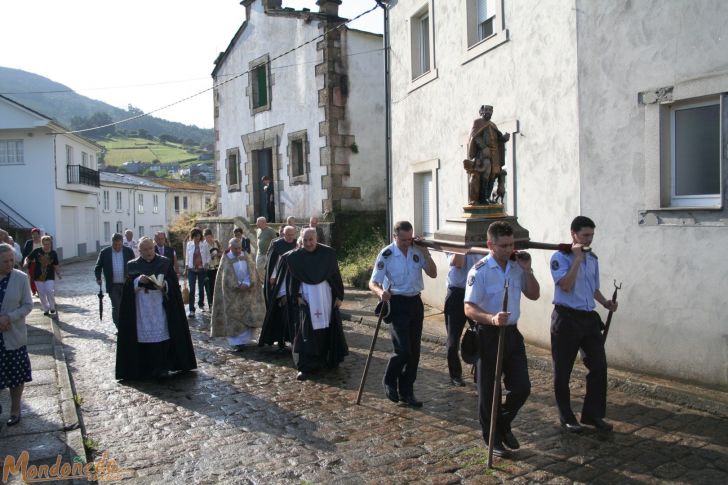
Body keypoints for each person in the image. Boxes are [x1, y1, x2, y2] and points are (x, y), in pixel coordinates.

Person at [464, 221, 540, 457]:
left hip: (512, 334)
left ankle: (503, 422)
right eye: (504, 245)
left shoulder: (518, 266)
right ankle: (492, 437)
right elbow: (468, 308)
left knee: (522, 387)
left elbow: (534, 294)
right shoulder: (479, 270)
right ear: (490, 244)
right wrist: (491, 318)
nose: (509, 249)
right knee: (489, 391)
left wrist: (528, 270)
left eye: (512, 244)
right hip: (488, 333)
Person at [550, 216, 618, 433]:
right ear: (574, 234)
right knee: (563, 370)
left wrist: (606, 302)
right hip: (566, 318)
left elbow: (593, 288)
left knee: (599, 366)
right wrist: (577, 259)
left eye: (591, 235)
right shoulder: (560, 257)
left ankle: (593, 414)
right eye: (585, 235)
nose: (589, 240)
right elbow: (566, 286)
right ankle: (566, 417)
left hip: (588, 319)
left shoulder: (593, 259)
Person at [369, 220, 437, 407]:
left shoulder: (417, 250)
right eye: (404, 240)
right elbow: (373, 282)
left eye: (410, 238)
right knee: (403, 349)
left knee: (414, 352)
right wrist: (380, 292)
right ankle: (389, 380)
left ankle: (407, 391)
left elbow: (433, 273)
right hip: (396, 303)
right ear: (395, 236)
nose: (408, 242)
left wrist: (426, 253)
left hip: (415, 302)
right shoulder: (387, 254)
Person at [116, 237, 197, 380]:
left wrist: (164, 284)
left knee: (163, 335)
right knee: (143, 337)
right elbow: (127, 289)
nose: (149, 252)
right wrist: (137, 281)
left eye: (151, 249)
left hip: (160, 305)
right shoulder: (133, 265)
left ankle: (163, 366)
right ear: (139, 251)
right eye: (145, 250)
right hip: (142, 306)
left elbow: (173, 284)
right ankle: (146, 367)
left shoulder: (164, 263)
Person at [276, 228, 348, 380]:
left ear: (316, 239)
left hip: (325, 295)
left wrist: (339, 295)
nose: (308, 243)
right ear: (301, 240)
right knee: (305, 331)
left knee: (327, 327)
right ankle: (305, 366)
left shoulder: (327, 254)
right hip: (306, 296)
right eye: (305, 240)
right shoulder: (294, 257)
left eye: (311, 239)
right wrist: (295, 295)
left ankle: (327, 360)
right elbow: (292, 279)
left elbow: (335, 276)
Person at [0, 243, 33, 427]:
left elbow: (28, 305)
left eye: (12, 260)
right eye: (5, 261)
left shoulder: (20, 278)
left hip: (13, 334)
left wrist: (8, 318)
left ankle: (15, 409)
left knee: (16, 375)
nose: (9, 264)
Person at [210, 238, 265, 350]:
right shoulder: (226, 259)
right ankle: (236, 342)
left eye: (240, 248)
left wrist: (247, 282)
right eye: (235, 248)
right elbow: (225, 277)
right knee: (234, 317)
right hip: (232, 294)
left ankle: (247, 339)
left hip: (247, 291)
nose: (238, 250)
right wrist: (237, 285)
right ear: (230, 247)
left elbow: (252, 271)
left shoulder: (246, 256)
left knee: (248, 314)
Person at [443, 252, 481, 386]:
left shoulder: (480, 241)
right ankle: (455, 375)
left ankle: (480, 374)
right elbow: (458, 263)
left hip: (477, 293)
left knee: (481, 336)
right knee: (453, 340)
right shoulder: (453, 243)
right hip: (457, 293)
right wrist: (463, 245)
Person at [259, 225, 298, 352]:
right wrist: (273, 277)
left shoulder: (298, 244)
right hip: (281, 282)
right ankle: (281, 339)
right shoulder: (277, 245)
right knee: (282, 310)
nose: (290, 237)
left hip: (294, 280)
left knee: (294, 311)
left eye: (292, 235)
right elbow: (272, 264)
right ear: (283, 234)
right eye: (288, 235)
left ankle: (292, 338)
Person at [465, 105, 510, 205]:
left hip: (495, 154)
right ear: (481, 112)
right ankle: (482, 198)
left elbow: (497, 138)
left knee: (493, 175)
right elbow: (475, 136)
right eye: (486, 110)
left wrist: (503, 138)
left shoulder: (493, 125)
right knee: (486, 171)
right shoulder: (477, 122)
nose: (489, 112)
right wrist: (483, 147)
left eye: (490, 110)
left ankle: (487, 197)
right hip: (483, 153)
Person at [94, 233, 135, 329]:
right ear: (112, 242)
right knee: (116, 307)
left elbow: (134, 265)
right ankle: (119, 327)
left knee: (127, 306)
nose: (117, 247)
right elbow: (98, 266)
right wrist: (98, 277)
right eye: (115, 244)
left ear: (122, 243)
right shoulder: (105, 252)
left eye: (119, 244)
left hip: (126, 284)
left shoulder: (128, 251)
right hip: (112, 285)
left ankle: (127, 325)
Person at [25, 236, 61, 318]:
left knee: (49, 291)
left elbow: (56, 264)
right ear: (42, 244)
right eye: (45, 244)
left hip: (50, 276)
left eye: (48, 244)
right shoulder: (37, 251)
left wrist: (58, 273)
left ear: (50, 244)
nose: (46, 246)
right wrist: (26, 263)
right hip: (38, 276)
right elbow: (28, 258)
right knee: (41, 294)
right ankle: (45, 309)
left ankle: (52, 307)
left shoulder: (53, 253)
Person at [184, 227, 210, 317]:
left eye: (198, 236)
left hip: (201, 269)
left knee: (201, 288)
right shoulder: (189, 244)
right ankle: (191, 309)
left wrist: (206, 264)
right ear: (192, 236)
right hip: (192, 269)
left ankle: (201, 304)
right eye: (195, 236)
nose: (197, 238)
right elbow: (187, 256)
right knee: (192, 289)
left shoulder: (204, 244)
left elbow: (208, 255)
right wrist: (186, 267)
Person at [204, 229, 222, 306]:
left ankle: (218, 303)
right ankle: (210, 304)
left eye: (209, 237)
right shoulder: (203, 245)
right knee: (209, 287)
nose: (208, 239)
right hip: (208, 268)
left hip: (217, 267)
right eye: (206, 237)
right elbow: (204, 257)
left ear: (212, 236)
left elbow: (222, 252)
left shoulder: (216, 243)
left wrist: (219, 254)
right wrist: (210, 257)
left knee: (217, 286)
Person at [21, 228, 42, 296]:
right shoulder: (29, 242)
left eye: (36, 234)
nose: (35, 236)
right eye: (33, 234)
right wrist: (24, 262)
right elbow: (25, 253)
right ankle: (34, 290)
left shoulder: (42, 241)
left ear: (39, 235)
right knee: (32, 277)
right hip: (32, 263)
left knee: (40, 277)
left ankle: (39, 291)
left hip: (41, 263)